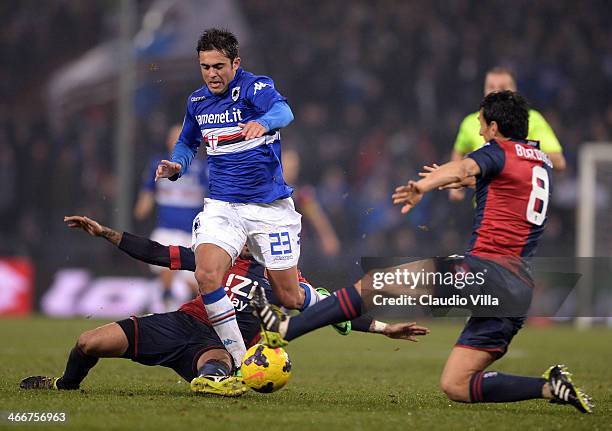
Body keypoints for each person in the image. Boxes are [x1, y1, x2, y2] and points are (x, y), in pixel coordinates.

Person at [253, 91, 592, 414]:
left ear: (494, 129)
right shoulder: (539, 161)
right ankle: (550, 387)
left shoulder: (497, 152)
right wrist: (459, 180)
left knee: (375, 284)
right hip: (517, 290)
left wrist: (423, 187)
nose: (477, 130)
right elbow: (498, 187)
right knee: (457, 385)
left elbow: (463, 168)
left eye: (481, 124)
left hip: (487, 271)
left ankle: (286, 330)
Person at [20, 215, 429, 396]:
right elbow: (160, 253)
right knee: (88, 342)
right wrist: (106, 233)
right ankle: (64, 386)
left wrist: (384, 328)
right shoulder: (220, 258)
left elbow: (333, 310)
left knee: (213, 367)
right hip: (179, 326)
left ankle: (218, 377)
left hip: (216, 345)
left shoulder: (288, 282)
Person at [154, 28, 319, 369]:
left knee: (289, 295)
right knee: (207, 276)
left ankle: (324, 300)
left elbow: (284, 112)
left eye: (218, 66)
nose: (212, 74)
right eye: (205, 67)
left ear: (235, 63)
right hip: (223, 206)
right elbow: (188, 143)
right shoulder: (197, 102)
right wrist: (177, 165)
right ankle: (242, 358)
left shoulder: (255, 88)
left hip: (267, 208)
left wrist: (263, 122)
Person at [449, 67, 565, 202]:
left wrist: (518, 151)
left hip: (520, 209)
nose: (496, 92)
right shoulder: (470, 122)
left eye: (503, 87)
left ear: (514, 90)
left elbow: (559, 162)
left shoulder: (532, 119)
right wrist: (455, 186)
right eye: (491, 87)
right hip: (485, 210)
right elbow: (458, 152)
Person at [134, 124, 207, 310]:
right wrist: (142, 207)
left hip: (192, 233)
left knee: (194, 281)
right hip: (166, 228)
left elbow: (211, 197)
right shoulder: (157, 165)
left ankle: (192, 309)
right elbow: (148, 192)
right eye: (174, 139)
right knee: (167, 259)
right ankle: (167, 300)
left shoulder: (201, 168)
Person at [282, 148, 340, 257]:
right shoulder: (266, 191)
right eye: (288, 166)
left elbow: (316, 216)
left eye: (295, 166)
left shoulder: (301, 193)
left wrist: (327, 236)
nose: (292, 170)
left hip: (294, 247)